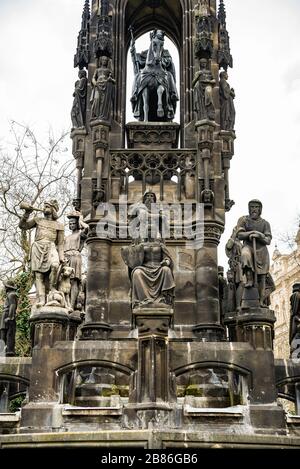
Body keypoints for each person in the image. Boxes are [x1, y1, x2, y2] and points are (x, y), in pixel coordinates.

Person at [122, 191, 175, 309]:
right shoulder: (140, 244)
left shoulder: (160, 244)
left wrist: (166, 262)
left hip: (158, 267)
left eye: (152, 196)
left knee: (166, 270)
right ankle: (142, 300)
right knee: (136, 273)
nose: (150, 198)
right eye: (147, 196)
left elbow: (167, 258)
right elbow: (133, 261)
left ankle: (164, 299)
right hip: (144, 268)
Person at [19, 200, 65, 308]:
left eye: (47, 206)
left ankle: (53, 289)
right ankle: (41, 299)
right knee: (38, 275)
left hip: (51, 247)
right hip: (37, 247)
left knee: (54, 265)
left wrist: (61, 257)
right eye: (44, 206)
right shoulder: (38, 220)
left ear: (53, 209)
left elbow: (60, 244)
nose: (44, 208)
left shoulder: (59, 225)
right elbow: (23, 226)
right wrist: (27, 213)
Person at [236, 200, 272, 307]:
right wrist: (251, 233)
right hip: (248, 247)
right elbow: (240, 235)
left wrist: (259, 235)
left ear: (260, 209)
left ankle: (261, 301)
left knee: (262, 277)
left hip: (262, 252)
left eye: (257, 207)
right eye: (252, 207)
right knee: (245, 255)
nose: (254, 209)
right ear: (249, 208)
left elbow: (268, 240)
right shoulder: (244, 220)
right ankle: (249, 277)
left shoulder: (265, 223)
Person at [64, 212, 88, 310]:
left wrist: (81, 220)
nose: (71, 225)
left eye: (73, 223)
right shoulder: (67, 237)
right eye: (70, 223)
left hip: (75, 256)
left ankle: (72, 305)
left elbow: (87, 228)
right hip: (66, 257)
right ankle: (66, 303)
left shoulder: (80, 234)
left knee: (74, 281)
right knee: (65, 281)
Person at [90, 56, 116, 121]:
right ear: (101, 61)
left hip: (106, 86)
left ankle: (103, 116)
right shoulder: (97, 70)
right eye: (103, 60)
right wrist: (94, 83)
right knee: (96, 99)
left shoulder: (108, 70)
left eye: (106, 60)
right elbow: (93, 78)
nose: (104, 61)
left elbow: (114, 81)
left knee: (104, 102)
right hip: (98, 85)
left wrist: (110, 79)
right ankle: (95, 115)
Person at [225, 226, 244, 311]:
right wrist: (233, 235)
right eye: (239, 232)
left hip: (243, 264)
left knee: (243, 284)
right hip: (236, 265)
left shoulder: (241, 243)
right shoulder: (233, 241)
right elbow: (228, 246)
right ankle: (238, 305)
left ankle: (241, 303)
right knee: (241, 283)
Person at [0, 280, 18, 356]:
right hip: (5, 315)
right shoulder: (10, 295)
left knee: (9, 333)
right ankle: (3, 351)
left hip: (7, 315)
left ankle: (9, 351)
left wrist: (10, 317)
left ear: (7, 287)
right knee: (4, 333)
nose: (4, 288)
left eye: (5, 287)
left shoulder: (12, 295)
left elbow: (12, 306)